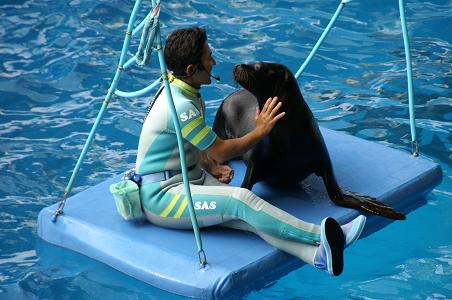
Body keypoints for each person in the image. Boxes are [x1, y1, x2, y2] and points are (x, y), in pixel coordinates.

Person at [135, 26, 366, 276]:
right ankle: (324, 236)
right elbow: (221, 151)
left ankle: (317, 257)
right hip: (162, 198)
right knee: (241, 201)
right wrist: (260, 130)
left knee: (249, 214)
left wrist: (209, 166)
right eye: (208, 58)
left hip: (190, 178)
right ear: (192, 70)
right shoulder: (181, 106)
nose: (214, 62)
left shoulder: (180, 87)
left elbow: (187, 140)